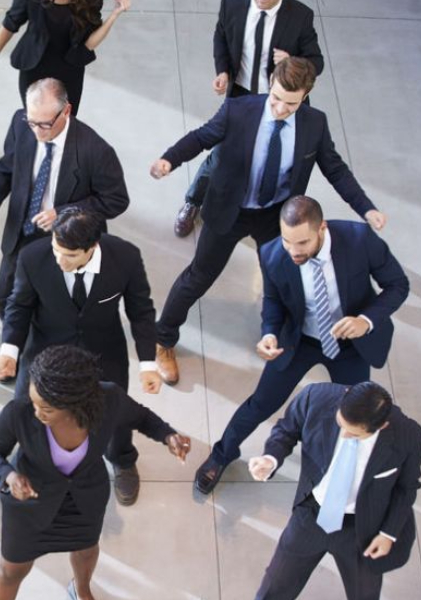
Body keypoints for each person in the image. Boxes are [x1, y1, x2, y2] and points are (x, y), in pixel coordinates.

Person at [149, 57, 387, 386]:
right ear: (270, 86)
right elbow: (201, 137)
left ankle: (276, 338)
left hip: (274, 217)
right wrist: (169, 160)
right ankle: (163, 340)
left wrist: (366, 208)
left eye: (289, 103)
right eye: (275, 98)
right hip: (229, 211)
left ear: (305, 96)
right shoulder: (238, 110)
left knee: (283, 280)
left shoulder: (314, 123)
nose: (278, 108)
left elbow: (335, 169)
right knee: (198, 277)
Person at [194, 195, 408, 494]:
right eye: (287, 241)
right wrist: (269, 332)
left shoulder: (359, 240)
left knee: (354, 416)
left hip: (350, 344)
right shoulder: (272, 254)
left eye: (302, 243)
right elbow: (272, 301)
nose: (293, 251)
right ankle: (222, 454)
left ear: (321, 228)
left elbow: (398, 285)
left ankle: (343, 476)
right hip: (299, 342)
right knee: (260, 403)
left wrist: (366, 321)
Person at [0, 208, 161, 507]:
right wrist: (9, 351)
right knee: (22, 409)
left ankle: (122, 459)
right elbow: (18, 306)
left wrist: (148, 364)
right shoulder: (33, 257)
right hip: (44, 347)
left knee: (116, 408)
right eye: (56, 250)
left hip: (102, 350)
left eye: (69, 256)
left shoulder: (126, 257)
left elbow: (141, 311)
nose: (59, 261)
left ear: (92, 248)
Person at [0, 345, 190, 600]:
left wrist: (168, 436)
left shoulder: (107, 399)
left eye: (46, 409)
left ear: (73, 404)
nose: (37, 412)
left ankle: (81, 588)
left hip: (84, 498)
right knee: (11, 570)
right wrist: (10, 477)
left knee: (87, 550)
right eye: (35, 403)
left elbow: (141, 417)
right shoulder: (19, 413)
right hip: (29, 504)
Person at [0, 77, 129, 320]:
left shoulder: (96, 150)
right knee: (4, 298)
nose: (36, 131)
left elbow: (116, 199)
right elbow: (4, 172)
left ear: (66, 111)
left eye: (44, 125)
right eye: (32, 122)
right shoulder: (20, 123)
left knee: (60, 308)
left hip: (68, 239)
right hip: (24, 230)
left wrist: (64, 212)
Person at [248, 381, 421, 599]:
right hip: (311, 515)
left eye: (355, 434)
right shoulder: (315, 397)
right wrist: (270, 458)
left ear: (382, 426)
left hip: (363, 529)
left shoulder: (409, 435)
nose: (345, 436)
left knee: (365, 595)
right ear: (345, 396)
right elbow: (287, 429)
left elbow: (406, 489)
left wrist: (388, 534)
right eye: (341, 424)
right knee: (275, 588)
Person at [173, 0, 324, 237]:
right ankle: (193, 201)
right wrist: (222, 70)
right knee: (220, 157)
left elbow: (317, 62)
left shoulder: (300, 16)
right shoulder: (233, 4)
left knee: (272, 161)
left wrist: (293, 61)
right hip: (242, 98)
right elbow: (221, 35)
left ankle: (263, 213)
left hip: (278, 103)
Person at [0, 0, 131, 115]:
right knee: (36, 122)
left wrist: (114, 14)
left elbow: (88, 44)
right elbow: (10, 24)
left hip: (69, 72)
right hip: (33, 68)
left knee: (65, 125)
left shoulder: (89, 1)